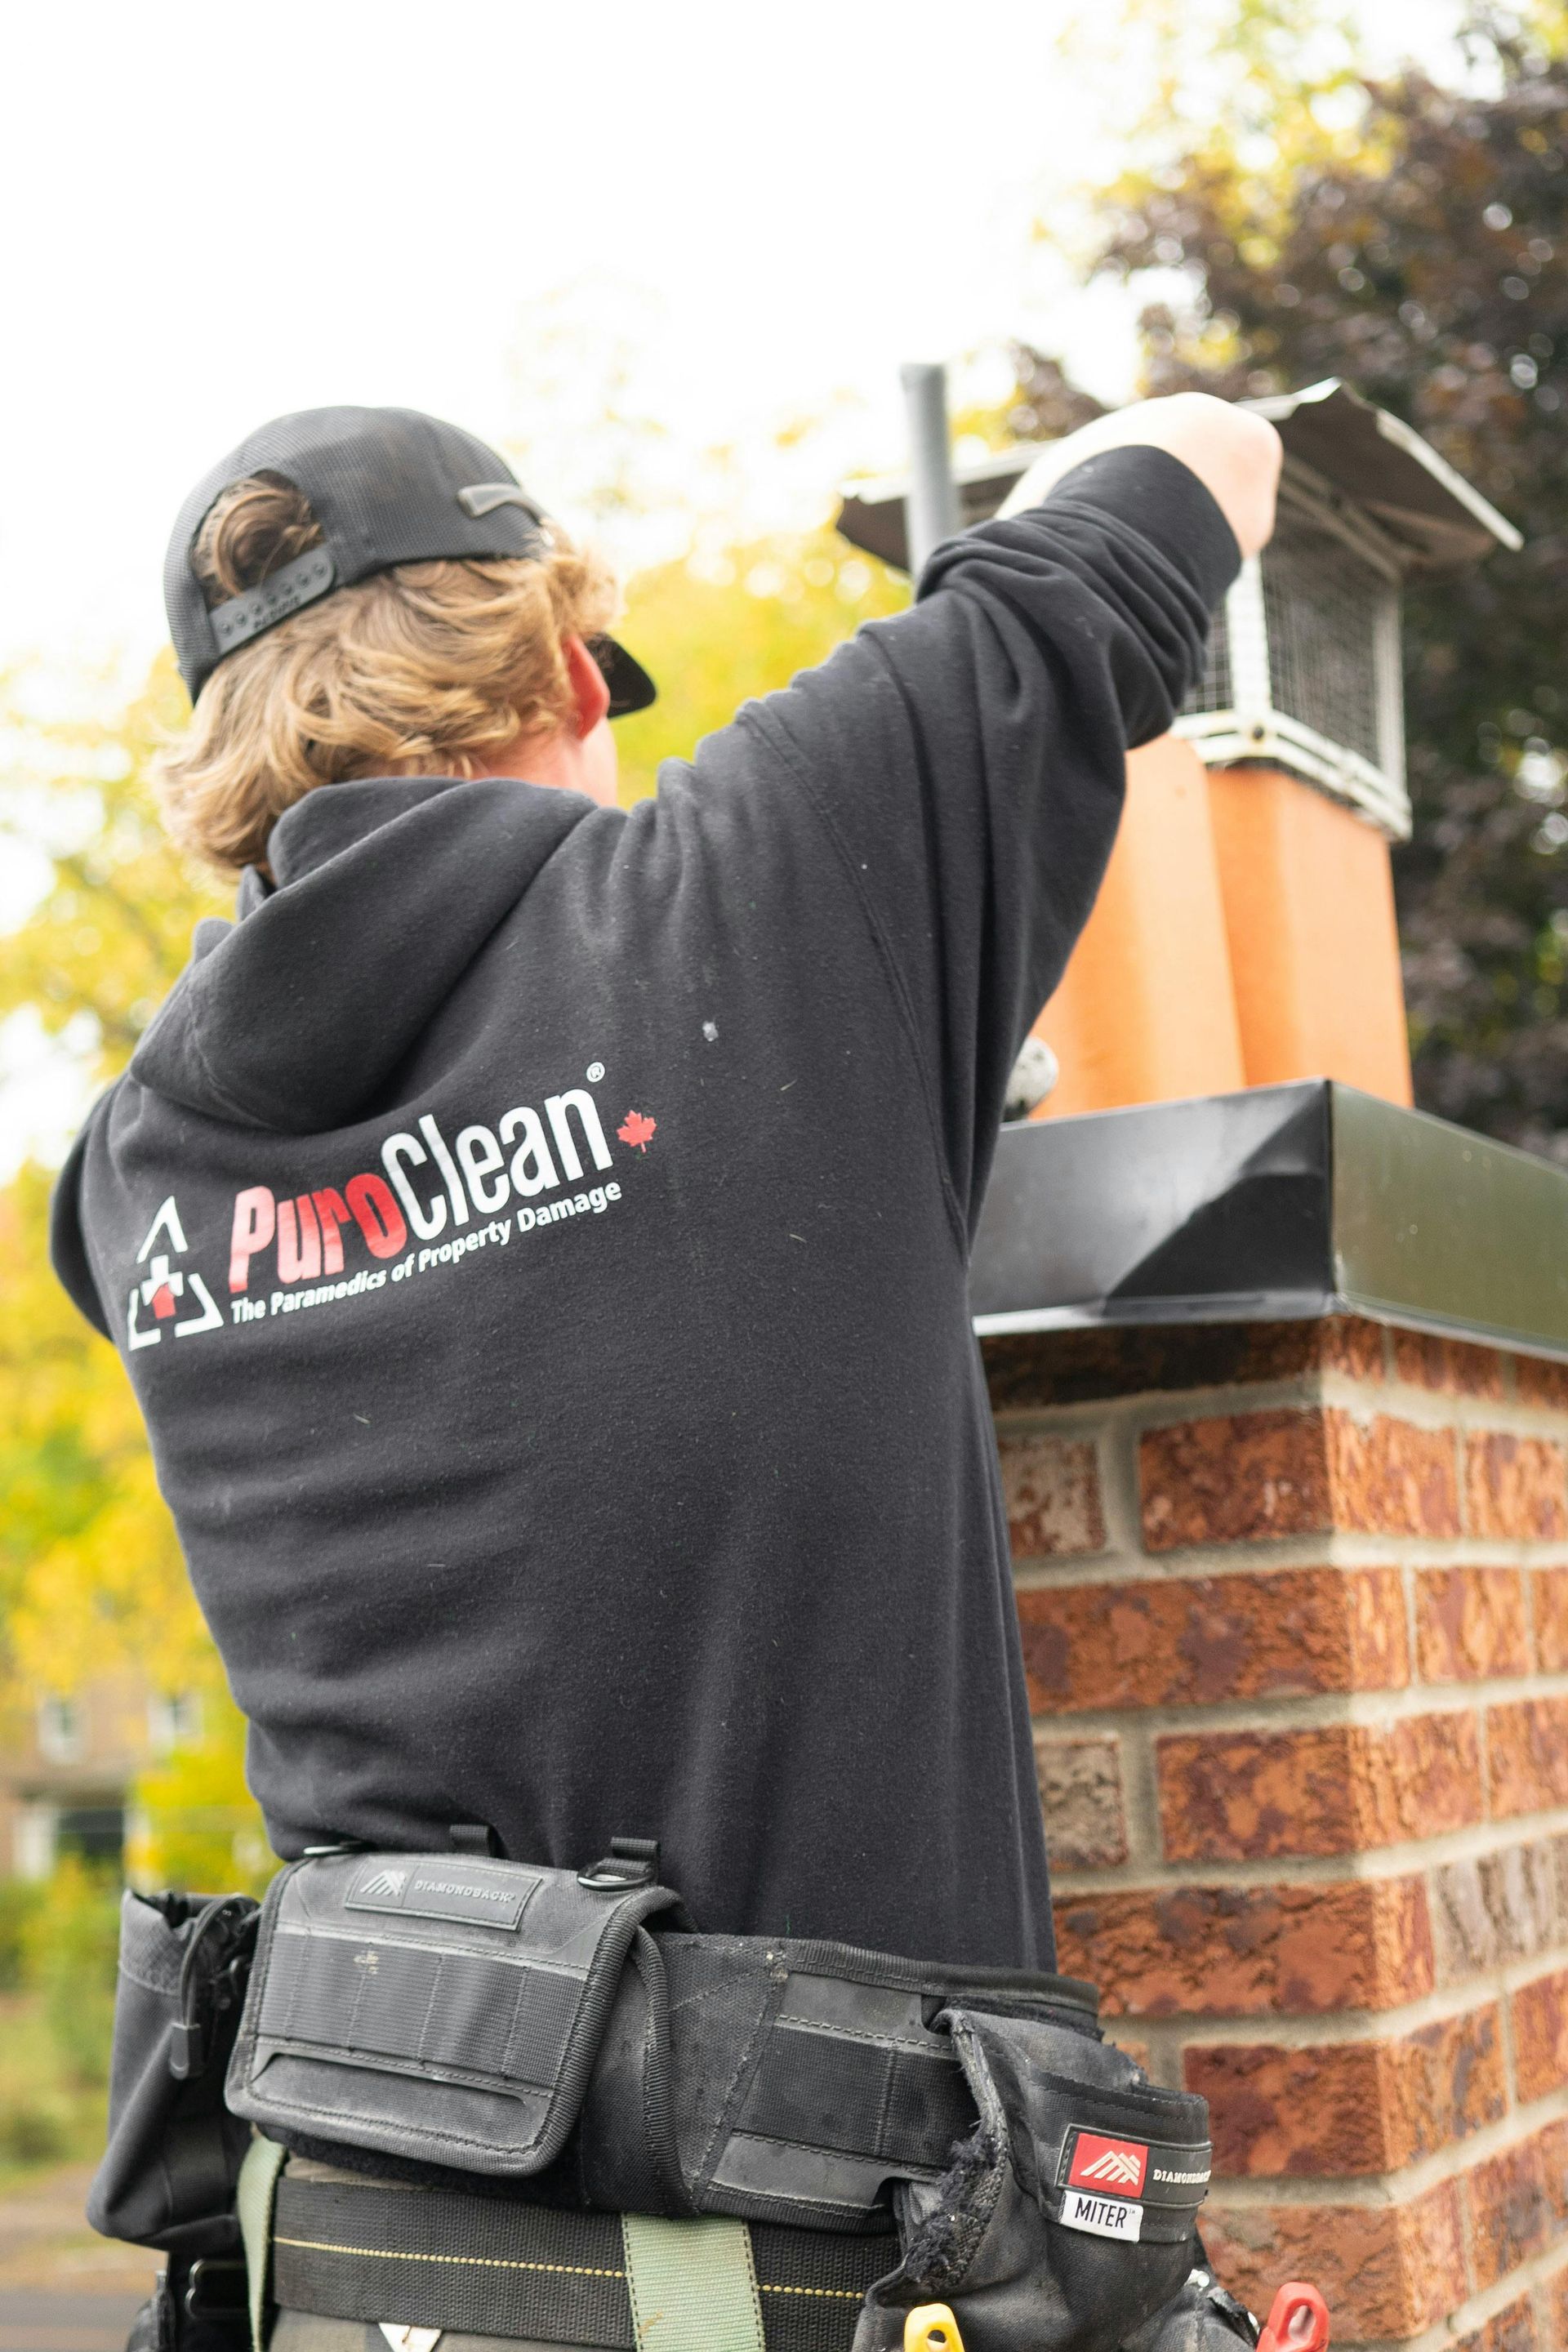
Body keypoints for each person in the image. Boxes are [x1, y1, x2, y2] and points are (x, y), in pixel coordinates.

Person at [51, 395, 1282, 2352]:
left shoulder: (130, 1174)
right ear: (556, 665)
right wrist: (858, 1082)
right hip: (834, 2259)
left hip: (369, 2254)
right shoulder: (763, 887)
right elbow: (1197, 456)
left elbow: (498, 1317)